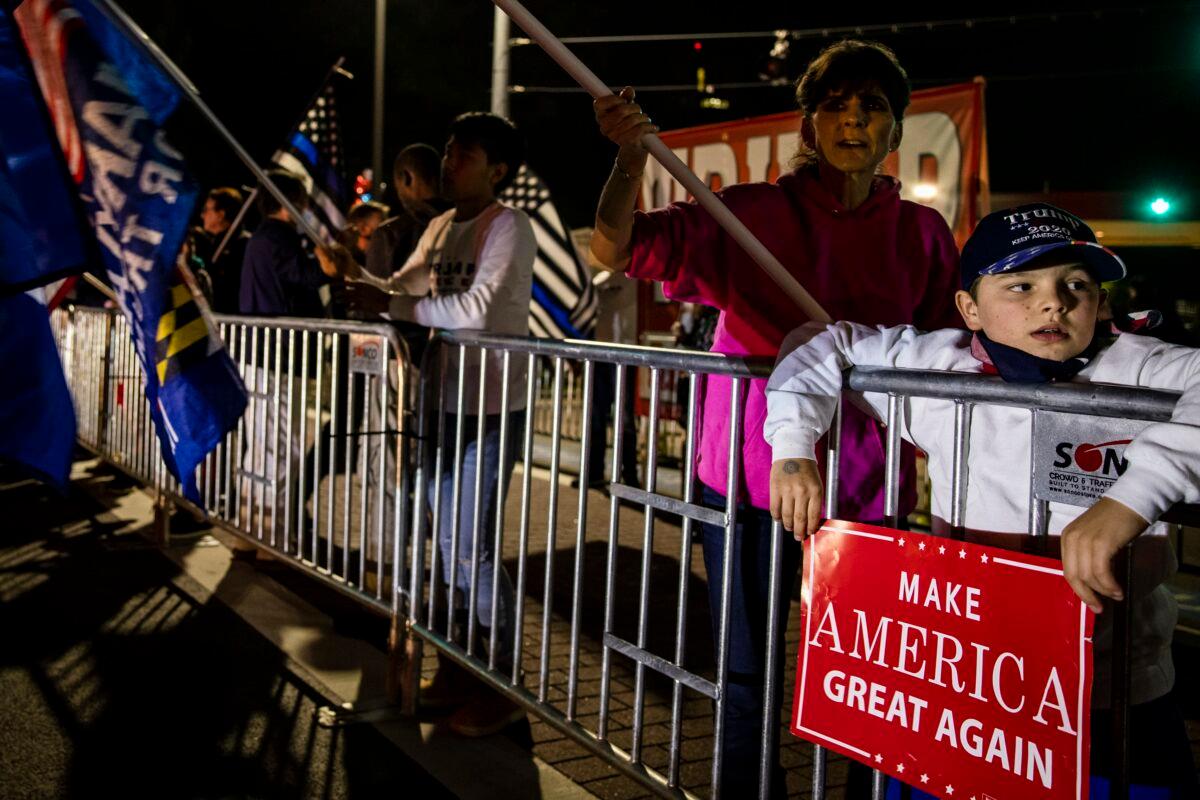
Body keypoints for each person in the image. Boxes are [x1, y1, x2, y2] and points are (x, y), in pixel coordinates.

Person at [588, 39, 961, 796]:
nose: (853, 119)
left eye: (873, 107)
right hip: (748, 481)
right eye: (834, 104)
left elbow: (945, 355)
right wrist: (629, 159)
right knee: (746, 668)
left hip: (866, 491)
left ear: (896, 132)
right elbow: (616, 246)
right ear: (808, 126)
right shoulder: (753, 215)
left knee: (866, 670)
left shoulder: (921, 234)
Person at [765, 203, 1200, 798]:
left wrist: (1130, 499)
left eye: (1076, 283)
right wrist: (794, 448)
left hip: (1115, 685)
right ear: (969, 307)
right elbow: (821, 342)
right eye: (1021, 285)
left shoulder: (1145, 366)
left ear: (1100, 300)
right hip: (970, 685)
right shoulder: (937, 365)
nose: (1054, 302)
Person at [319, 112, 534, 738]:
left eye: (463, 152)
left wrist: (388, 300)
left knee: (473, 548)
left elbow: (477, 308)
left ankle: (503, 682)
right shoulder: (440, 225)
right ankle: (461, 667)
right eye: (447, 148)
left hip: (492, 409)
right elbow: (397, 286)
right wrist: (352, 273)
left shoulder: (508, 225)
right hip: (440, 403)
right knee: (444, 549)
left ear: (496, 170)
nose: (448, 160)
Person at [238, 170, 327, 540]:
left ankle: (251, 528)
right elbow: (302, 278)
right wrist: (326, 262)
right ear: (292, 204)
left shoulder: (261, 237)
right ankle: (271, 537)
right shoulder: (280, 238)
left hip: (259, 352)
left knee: (261, 447)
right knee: (280, 448)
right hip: (277, 354)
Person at [194, 186, 250, 314]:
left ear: (221, 215)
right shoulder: (214, 243)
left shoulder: (242, 245)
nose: (202, 215)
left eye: (206, 210)